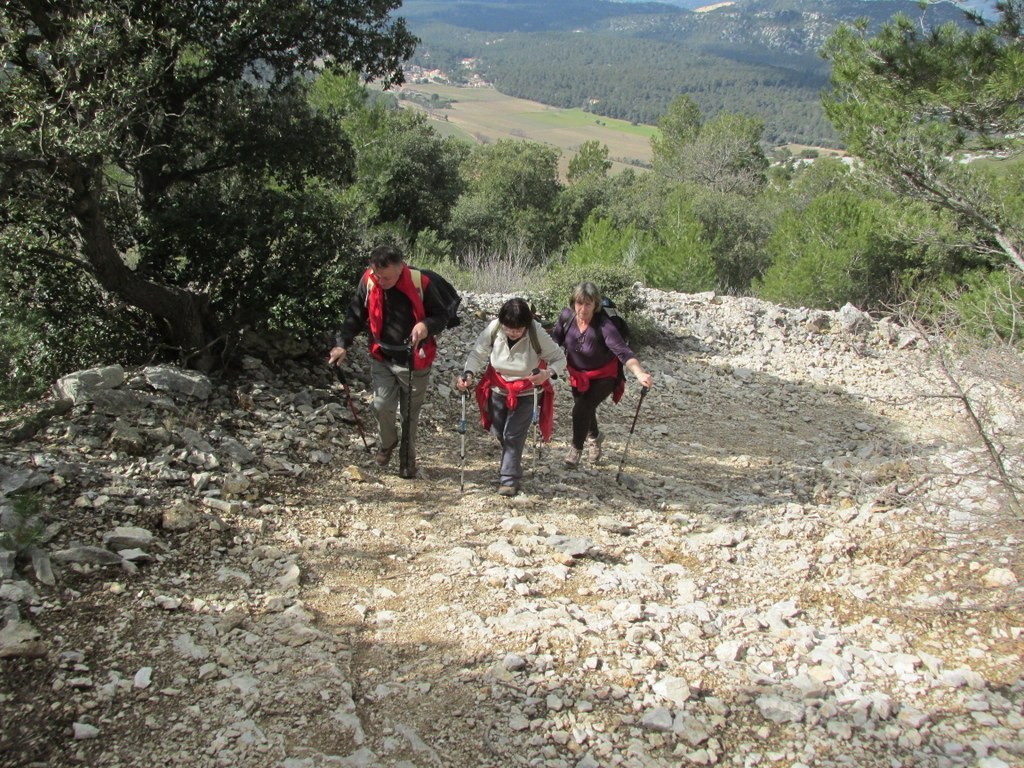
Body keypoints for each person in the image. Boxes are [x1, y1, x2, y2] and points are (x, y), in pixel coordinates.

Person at [328, 245, 450, 479]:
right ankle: (388, 443)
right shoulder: (369, 280)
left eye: (387, 277)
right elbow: (356, 313)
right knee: (381, 405)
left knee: (409, 415)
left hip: (414, 360)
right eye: (378, 275)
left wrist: (425, 326)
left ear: (400, 267)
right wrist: (342, 343)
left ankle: (407, 463)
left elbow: (441, 316)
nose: (381, 281)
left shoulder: (420, 282)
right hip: (382, 355)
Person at [457, 298, 566, 497]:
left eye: (518, 329)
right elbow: (477, 353)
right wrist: (469, 373)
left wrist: (547, 373)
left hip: (527, 390)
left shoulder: (536, 331)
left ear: (527, 324)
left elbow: (560, 358)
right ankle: (513, 463)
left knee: (512, 434)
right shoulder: (495, 328)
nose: (513, 332)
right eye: (509, 328)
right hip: (498, 389)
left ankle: (509, 479)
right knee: (498, 432)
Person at [551, 282, 654, 468]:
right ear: (573, 302)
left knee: (580, 409)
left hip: (604, 376)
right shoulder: (567, 317)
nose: (583, 308)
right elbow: (554, 340)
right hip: (577, 373)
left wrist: (639, 373)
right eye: (579, 303)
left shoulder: (604, 326)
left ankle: (576, 449)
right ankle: (595, 437)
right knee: (585, 408)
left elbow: (624, 352)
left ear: (596, 305)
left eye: (588, 304)